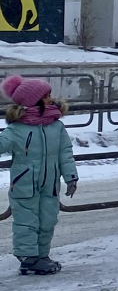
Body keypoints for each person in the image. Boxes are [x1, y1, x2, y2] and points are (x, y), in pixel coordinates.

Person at [0, 75, 77, 275]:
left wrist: (71, 177)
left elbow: (65, 153)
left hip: (50, 184)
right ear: (32, 100)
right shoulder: (17, 128)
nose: (51, 99)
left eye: (50, 94)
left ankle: (42, 256)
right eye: (46, 96)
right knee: (26, 221)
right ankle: (28, 258)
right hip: (24, 184)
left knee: (48, 219)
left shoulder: (56, 126)